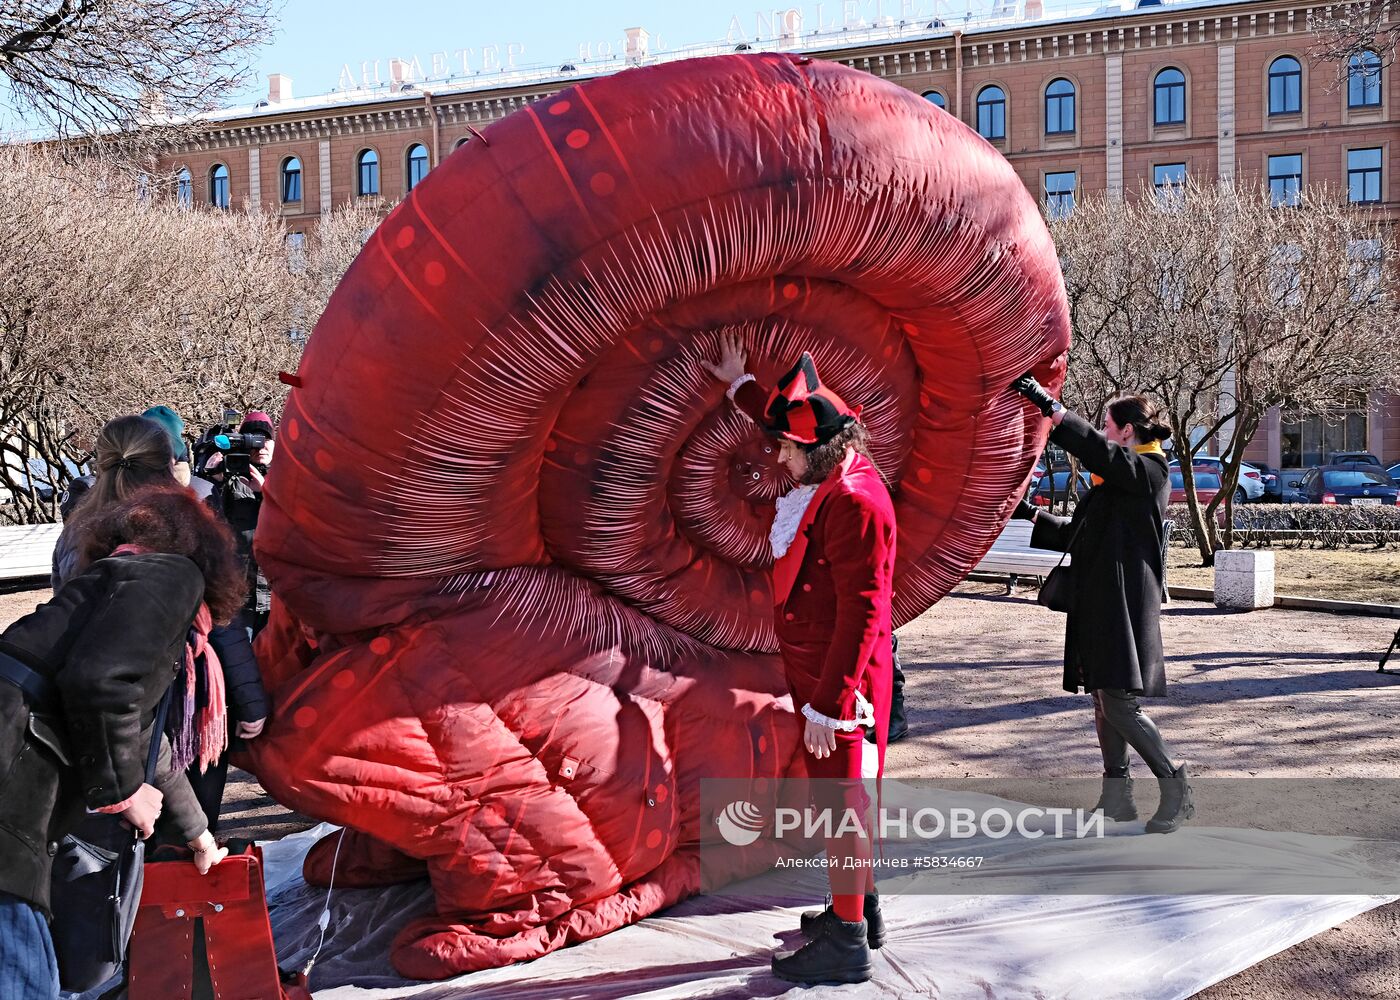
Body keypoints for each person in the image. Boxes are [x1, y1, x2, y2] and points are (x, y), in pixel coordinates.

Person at [0, 485, 245, 997]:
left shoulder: (105, 585)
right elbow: (101, 683)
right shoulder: (172, 574)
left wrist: (198, 835)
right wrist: (124, 794)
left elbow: (143, 738)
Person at [704, 334, 895, 986]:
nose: (779, 458)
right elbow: (785, 415)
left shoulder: (854, 502)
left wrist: (831, 705)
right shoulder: (831, 469)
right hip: (824, 674)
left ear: (818, 450)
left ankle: (846, 942)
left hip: (842, 682)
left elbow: (864, 612)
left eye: (788, 450)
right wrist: (740, 385)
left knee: (843, 805)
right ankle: (859, 908)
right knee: (846, 800)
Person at [1010, 376, 1194, 833]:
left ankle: (1176, 786)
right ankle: (1118, 799)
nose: (1104, 431)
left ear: (1127, 431)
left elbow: (1101, 453)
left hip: (1125, 605)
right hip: (1102, 601)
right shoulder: (1118, 480)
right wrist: (1029, 512)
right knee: (1103, 699)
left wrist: (1052, 410)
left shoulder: (1150, 472)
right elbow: (1079, 531)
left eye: (1108, 425)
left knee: (1119, 703)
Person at [53, 415, 178, 588]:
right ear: (168, 464)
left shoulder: (76, 529)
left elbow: (62, 600)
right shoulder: (186, 527)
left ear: (101, 463)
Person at [204, 411, 275, 638]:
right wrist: (209, 480)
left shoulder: (290, 478)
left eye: (266, 439)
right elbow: (205, 525)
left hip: (279, 596)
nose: (261, 446)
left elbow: (301, 524)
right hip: (239, 595)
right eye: (254, 439)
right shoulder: (229, 479)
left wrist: (267, 493)